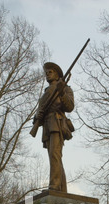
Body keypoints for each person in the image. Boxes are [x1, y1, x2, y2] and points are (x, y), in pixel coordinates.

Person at [34, 62, 74, 192]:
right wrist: (37, 117)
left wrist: (61, 93)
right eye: (46, 72)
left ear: (57, 75)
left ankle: (55, 186)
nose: (47, 74)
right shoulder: (46, 92)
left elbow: (70, 107)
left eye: (50, 72)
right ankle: (60, 188)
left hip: (57, 124)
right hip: (47, 125)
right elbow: (40, 111)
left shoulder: (64, 88)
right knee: (54, 157)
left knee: (55, 155)